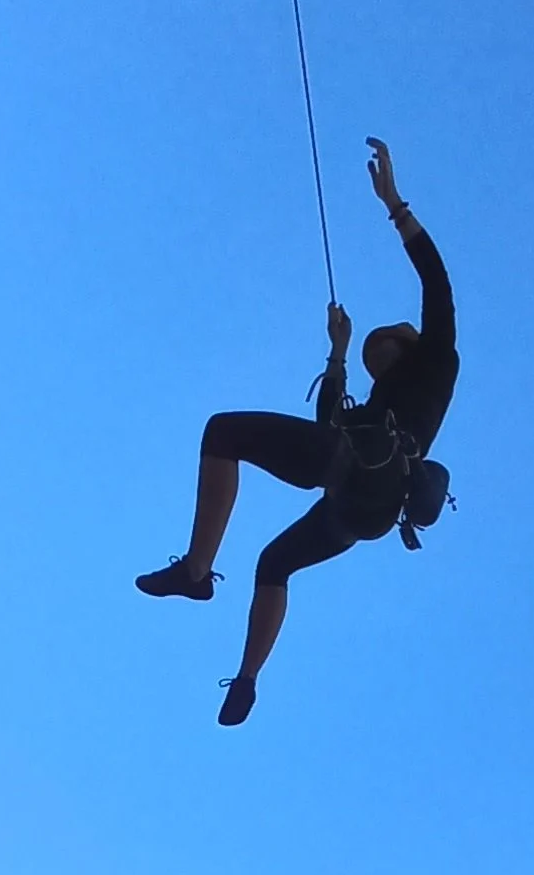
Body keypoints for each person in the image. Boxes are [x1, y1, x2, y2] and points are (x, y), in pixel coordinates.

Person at [137, 138, 457, 724]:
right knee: (273, 562)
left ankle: (195, 571)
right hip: (361, 511)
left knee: (222, 432)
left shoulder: (437, 362)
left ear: (407, 344)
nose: (377, 349)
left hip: (362, 479)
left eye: (380, 343)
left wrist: (395, 204)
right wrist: (336, 355)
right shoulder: (382, 406)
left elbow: (435, 285)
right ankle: (247, 681)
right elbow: (326, 428)